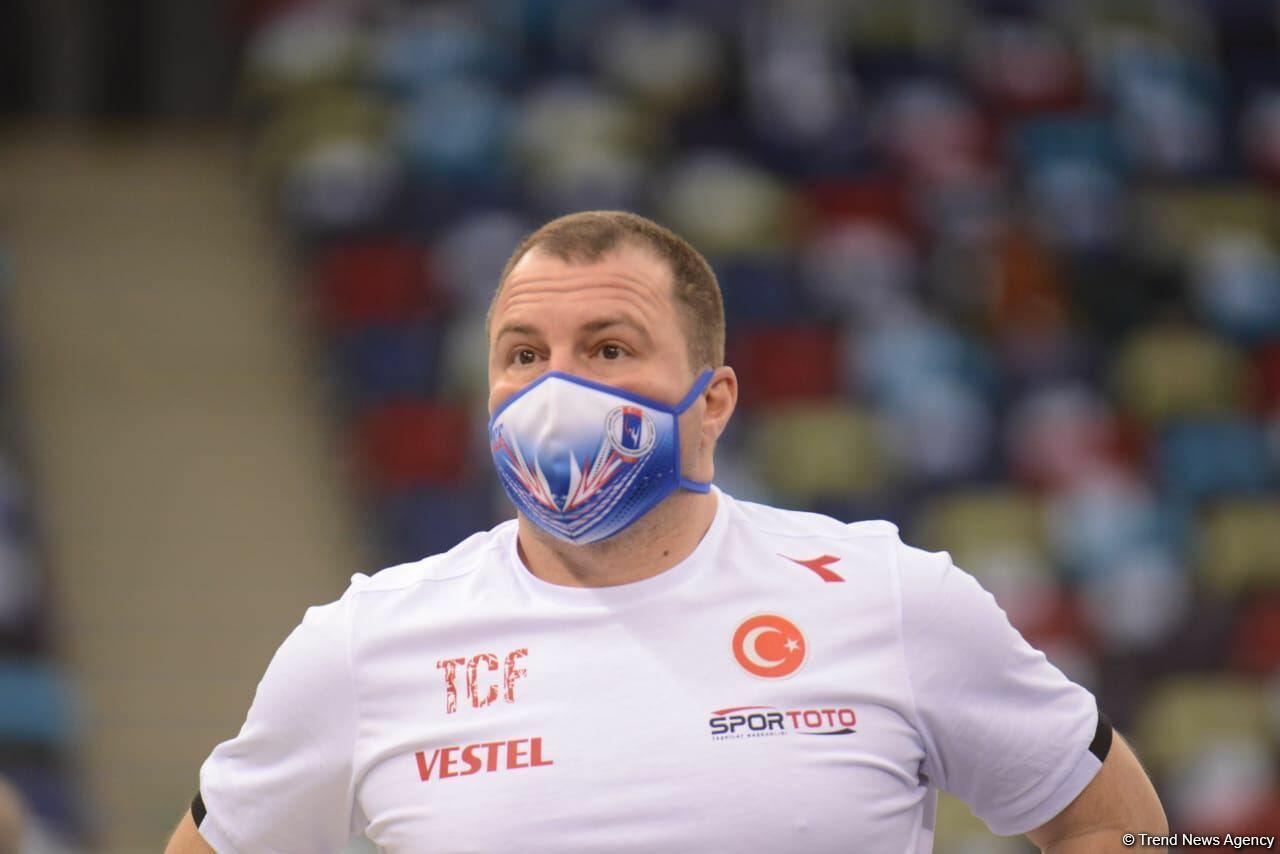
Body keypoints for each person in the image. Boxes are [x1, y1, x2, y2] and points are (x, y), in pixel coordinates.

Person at [167, 211, 1167, 853]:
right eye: (523, 354)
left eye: (608, 348)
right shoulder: (364, 644)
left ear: (713, 400)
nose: (555, 390)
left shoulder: (888, 596)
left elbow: (1111, 826)